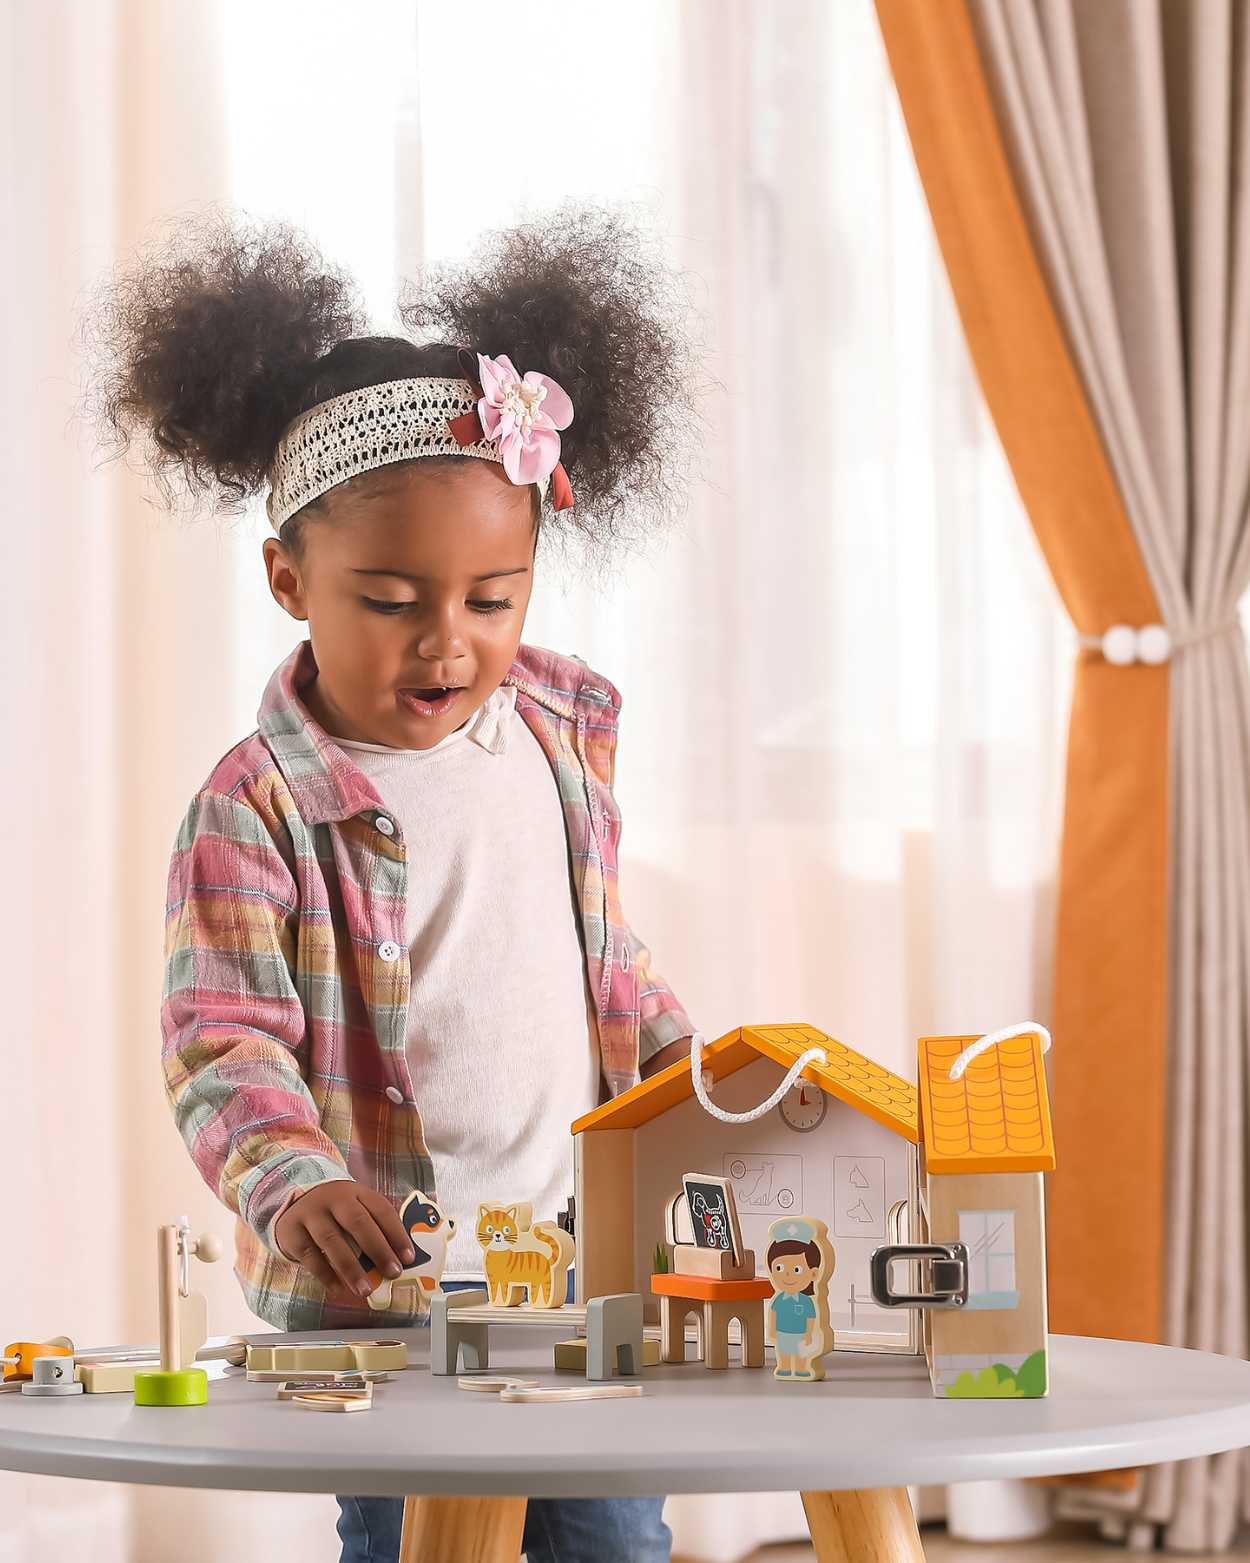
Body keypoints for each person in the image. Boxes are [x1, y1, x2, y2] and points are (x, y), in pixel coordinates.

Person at [89, 203, 701, 1563]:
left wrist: (692, 1074)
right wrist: (290, 1180)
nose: (448, 642)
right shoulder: (254, 804)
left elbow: (598, 948)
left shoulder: (554, 733)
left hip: (578, 1265)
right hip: (389, 1290)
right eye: (390, 599)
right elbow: (222, 1037)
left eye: (492, 599)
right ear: (289, 580)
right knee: (422, 1543)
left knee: (613, 1541)